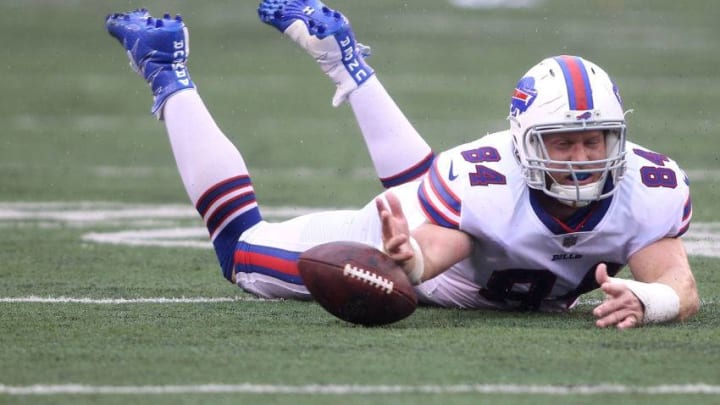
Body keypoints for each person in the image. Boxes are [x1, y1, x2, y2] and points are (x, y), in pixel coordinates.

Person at [105, 0, 699, 329]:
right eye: (562, 143)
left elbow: (680, 283)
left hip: (429, 203)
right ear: (523, 142)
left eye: (594, 141)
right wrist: (403, 259)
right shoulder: (486, 185)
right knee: (239, 249)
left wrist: (654, 302)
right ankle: (166, 69)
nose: (580, 159)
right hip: (409, 253)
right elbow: (431, 256)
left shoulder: (649, 187)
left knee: (419, 189)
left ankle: (347, 64)